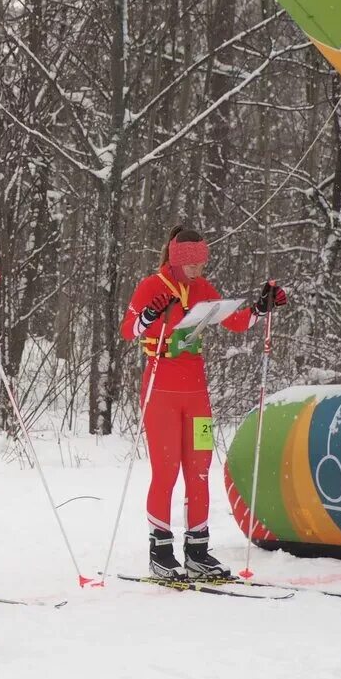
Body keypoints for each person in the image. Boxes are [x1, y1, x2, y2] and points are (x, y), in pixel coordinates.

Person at [120, 225, 288, 580]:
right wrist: (149, 317)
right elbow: (128, 330)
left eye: (201, 262)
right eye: (191, 263)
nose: (197, 269)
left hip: (197, 395)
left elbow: (236, 322)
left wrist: (261, 307)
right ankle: (160, 551)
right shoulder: (152, 285)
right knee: (166, 471)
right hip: (161, 391)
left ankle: (197, 550)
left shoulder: (202, 288)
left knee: (198, 470)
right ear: (176, 257)